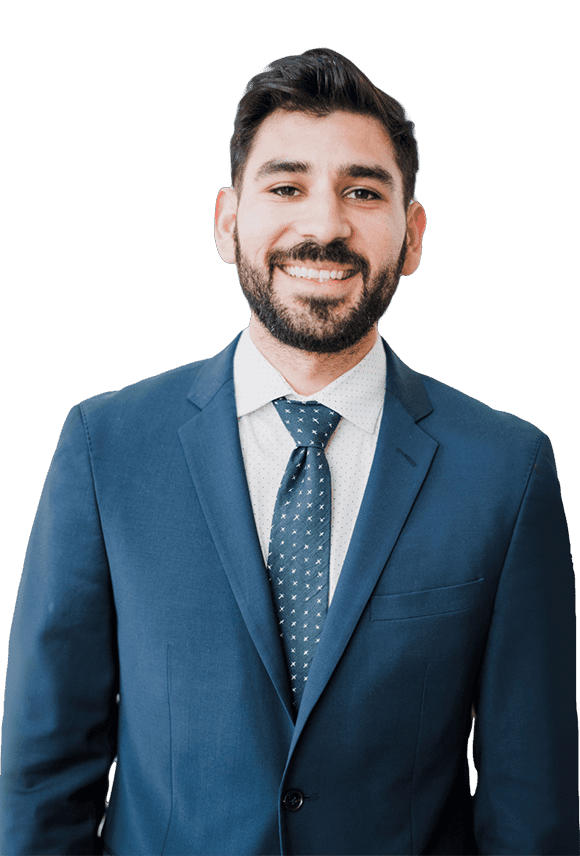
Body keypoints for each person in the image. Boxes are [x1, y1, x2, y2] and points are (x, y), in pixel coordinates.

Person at [0, 47, 577, 856]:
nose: (324, 226)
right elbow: (42, 779)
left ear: (412, 236)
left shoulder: (507, 473)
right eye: (286, 187)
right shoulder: (106, 449)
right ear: (227, 222)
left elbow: (533, 807)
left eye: (362, 192)